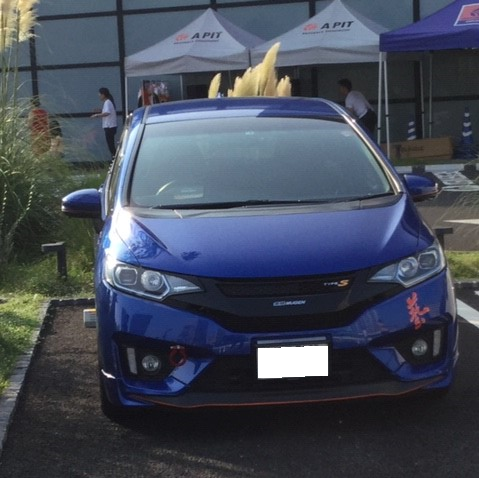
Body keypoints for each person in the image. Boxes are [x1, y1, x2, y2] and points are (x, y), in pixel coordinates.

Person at [91, 87, 118, 159]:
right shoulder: (108, 102)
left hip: (109, 126)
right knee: (111, 144)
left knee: (111, 145)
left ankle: (114, 158)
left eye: (100, 94)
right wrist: (100, 110)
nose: (99, 96)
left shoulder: (107, 102)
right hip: (110, 126)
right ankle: (114, 157)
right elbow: (107, 111)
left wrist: (97, 115)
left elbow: (107, 113)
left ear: (103, 95)